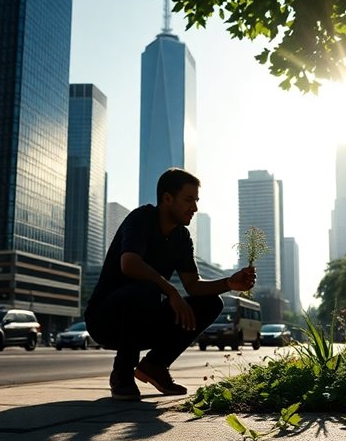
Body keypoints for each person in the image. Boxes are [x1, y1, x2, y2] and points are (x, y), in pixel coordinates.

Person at [85, 168, 257, 400]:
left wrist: (229, 283)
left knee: (210, 303)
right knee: (146, 288)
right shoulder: (141, 219)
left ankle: (154, 366)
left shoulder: (181, 237)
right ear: (167, 199)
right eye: (188, 200)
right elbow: (129, 264)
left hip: (144, 319)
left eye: (196, 201)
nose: (194, 208)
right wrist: (171, 290)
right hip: (105, 320)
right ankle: (122, 374)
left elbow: (194, 286)